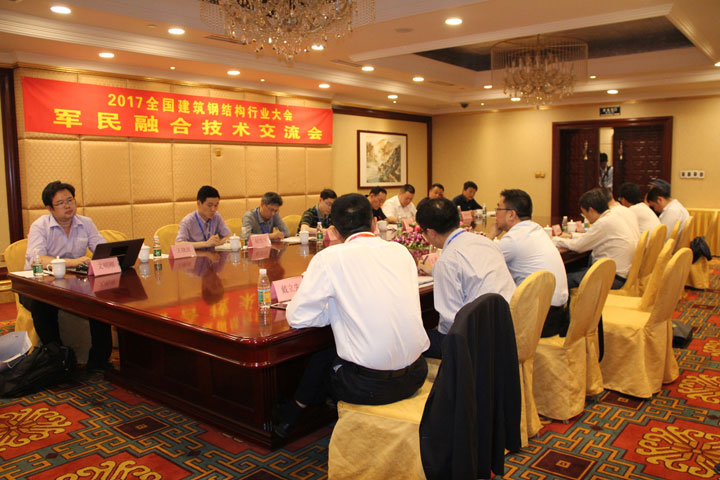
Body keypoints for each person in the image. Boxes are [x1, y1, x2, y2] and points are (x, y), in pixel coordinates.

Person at [278, 193, 429, 436]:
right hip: (417, 374)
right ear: (374, 223)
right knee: (335, 350)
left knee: (324, 357)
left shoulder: (329, 258)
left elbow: (297, 317)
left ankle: (297, 415)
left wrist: (334, 312)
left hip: (368, 387)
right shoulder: (400, 252)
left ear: (334, 231)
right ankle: (296, 413)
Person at [20, 181, 112, 371]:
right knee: (42, 304)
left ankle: (99, 360)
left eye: (70, 200)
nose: (67, 206)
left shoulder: (86, 223)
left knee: (101, 302)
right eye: (61, 203)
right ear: (49, 208)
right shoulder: (40, 226)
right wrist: (72, 262)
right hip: (37, 284)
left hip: (73, 283)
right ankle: (57, 359)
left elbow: (102, 248)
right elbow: (38, 259)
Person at [415, 197, 515, 357]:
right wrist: (434, 271)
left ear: (431, 232)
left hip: (477, 343)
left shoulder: (447, 261)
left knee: (410, 336)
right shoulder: (485, 242)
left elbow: (450, 325)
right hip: (508, 327)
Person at [488, 189, 570, 337]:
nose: (495, 214)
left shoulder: (513, 239)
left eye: (498, 208)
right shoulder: (537, 230)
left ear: (511, 214)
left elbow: (480, 260)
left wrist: (491, 234)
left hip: (538, 320)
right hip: (558, 314)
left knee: (485, 311)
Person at [554, 189, 639, 289]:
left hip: (610, 277)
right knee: (573, 271)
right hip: (617, 274)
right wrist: (571, 236)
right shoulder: (612, 216)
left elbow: (578, 246)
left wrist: (556, 240)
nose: (585, 217)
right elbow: (591, 237)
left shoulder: (603, 223)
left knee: (562, 280)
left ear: (591, 210)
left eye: (584, 213)